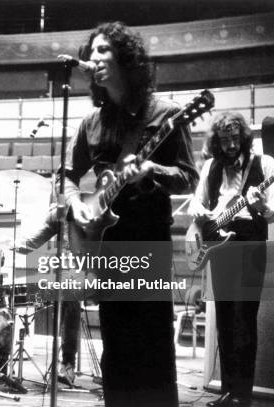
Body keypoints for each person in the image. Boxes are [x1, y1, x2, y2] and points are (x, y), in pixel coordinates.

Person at [64, 22, 198, 406]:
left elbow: (188, 177)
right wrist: (75, 201)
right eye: (91, 53)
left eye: (104, 50)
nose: (94, 59)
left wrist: (152, 170)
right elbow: (67, 175)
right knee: (117, 345)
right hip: (108, 244)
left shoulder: (167, 113)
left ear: (126, 58)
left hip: (147, 238)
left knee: (152, 345)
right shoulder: (91, 123)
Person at [188, 112, 274, 407]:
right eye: (224, 140)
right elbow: (197, 202)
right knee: (225, 318)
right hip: (219, 245)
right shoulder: (212, 165)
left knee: (244, 319)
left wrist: (262, 205)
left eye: (234, 139)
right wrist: (201, 214)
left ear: (244, 139)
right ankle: (228, 392)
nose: (229, 145)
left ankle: (242, 395)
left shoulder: (265, 164)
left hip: (250, 245)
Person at [14, 205, 81, 387]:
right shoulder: (59, 214)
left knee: (71, 304)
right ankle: (63, 365)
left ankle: (68, 364)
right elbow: (36, 239)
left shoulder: (87, 212)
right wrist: (14, 243)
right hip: (64, 272)